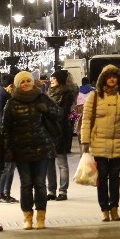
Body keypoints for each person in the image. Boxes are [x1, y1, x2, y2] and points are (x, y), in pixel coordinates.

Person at [2, 70, 61, 230]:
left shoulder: (42, 98)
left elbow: (59, 113)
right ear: (17, 85)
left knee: (40, 183)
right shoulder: (12, 103)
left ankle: (41, 216)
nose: (26, 84)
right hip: (21, 149)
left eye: (28, 81)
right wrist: (7, 148)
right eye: (22, 82)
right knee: (26, 184)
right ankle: (27, 217)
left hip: (42, 147)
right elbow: (6, 128)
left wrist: (47, 109)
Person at [80, 64, 120, 222]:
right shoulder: (95, 96)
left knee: (115, 177)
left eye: (114, 76)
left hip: (118, 141)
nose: (112, 79)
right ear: (103, 79)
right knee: (102, 177)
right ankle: (104, 208)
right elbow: (86, 119)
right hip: (99, 142)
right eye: (109, 76)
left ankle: (114, 208)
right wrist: (85, 141)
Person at [46, 69, 78, 201]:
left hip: (61, 131)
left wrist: (49, 111)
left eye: (54, 78)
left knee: (61, 162)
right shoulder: (48, 93)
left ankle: (63, 191)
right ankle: (51, 191)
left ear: (60, 80)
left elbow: (62, 113)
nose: (51, 80)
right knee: (49, 163)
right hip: (48, 130)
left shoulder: (67, 94)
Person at [0, 74, 18, 203]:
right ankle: (0, 193)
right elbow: (0, 116)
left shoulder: (6, 95)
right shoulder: (0, 96)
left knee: (11, 166)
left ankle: (6, 193)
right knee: (6, 166)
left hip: (11, 134)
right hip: (6, 135)